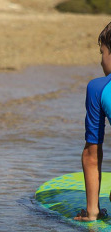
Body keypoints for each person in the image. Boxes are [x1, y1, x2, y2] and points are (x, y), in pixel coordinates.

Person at [74, 22, 111, 221]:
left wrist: (92, 212)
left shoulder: (99, 87)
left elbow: (91, 153)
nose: (101, 61)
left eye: (102, 52)